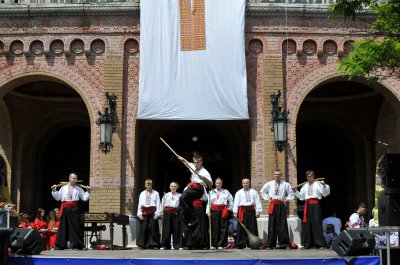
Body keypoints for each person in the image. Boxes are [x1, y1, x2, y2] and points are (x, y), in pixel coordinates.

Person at [51, 172, 91, 250]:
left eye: (76, 178)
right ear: (69, 178)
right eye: (74, 178)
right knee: (63, 227)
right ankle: (60, 245)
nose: (75, 180)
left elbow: (84, 198)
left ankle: (79, 245)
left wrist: (88, 191)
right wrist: (54, 190)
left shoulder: (78, 188)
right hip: (65, 208)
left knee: (75, 227)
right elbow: (58, 198)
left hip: (74, 209)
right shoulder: (63, 187)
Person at [293, 170, 330, 249]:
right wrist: (295, 191)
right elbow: (301, 197)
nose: (309, 178)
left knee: (316, 223)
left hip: (315, 204)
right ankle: (308, 244)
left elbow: (325, 194)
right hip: (307, 205)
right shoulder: (304, 186)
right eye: (308, 176)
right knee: (307, 224)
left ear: (313, 176)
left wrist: (324, 185)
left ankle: (320, 244)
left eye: (310, 176)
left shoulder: (318, 184)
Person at [260, 170, 294, 249]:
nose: (277, 176)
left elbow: (291, 193)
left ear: (281, 175)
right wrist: (268, 199)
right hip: (273, 204)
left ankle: (284, 244)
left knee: (282, 224)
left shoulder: (286, 184)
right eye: (275, 174)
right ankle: (271, 244)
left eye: (278, 174)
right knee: (272, 224)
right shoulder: (269, 184)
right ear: (273, 175)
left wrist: (286, 199)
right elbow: (262, 191)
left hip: (281, 204)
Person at [177, 154, 213, 228]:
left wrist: (204, 178)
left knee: (183, 197)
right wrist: (181, 158)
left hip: (198, 190)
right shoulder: (193, 167)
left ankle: (192, 215)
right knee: (182, 200)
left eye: (198, 163)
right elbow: (187, 163)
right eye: (195, 162)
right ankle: (191, 217)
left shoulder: (204, 172)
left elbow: (210, 184)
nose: (196, 164)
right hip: (192, 189)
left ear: (201, 162)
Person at [233, 178, 262, 249]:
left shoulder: (254, 192)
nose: (245, 184)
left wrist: (258, 211)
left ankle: (252, 244)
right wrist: (235, 212)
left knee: (252, 227)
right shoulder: (238, 192)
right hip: (242, 212)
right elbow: (236, 203)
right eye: (244, 183)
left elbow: (257, 202)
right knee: (242, 228)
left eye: (247, 183)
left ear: (249, 183)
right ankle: (241, 244)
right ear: (242, 184)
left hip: (251, 212)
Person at [207, 177, 233, 250]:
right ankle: (214, 244)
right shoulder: (211, 192)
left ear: (222, 184)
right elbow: (209, 203)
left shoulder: (225, 191)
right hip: (214, 210)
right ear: (215, 184)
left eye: (219, 183)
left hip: (223, 211)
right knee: (214, 228)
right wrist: (208, 211)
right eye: (217, 183)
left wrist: (229, 208)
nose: (218, 184)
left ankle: (221, 244)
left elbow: (231, 200)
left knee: (223, 227)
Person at [137, 179, 162, 249]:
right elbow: (140, 204)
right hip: (144, 212)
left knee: (153, 228)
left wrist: (157, 214)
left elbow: (158, 203)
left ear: (151, 185)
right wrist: (139, 214)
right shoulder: (142, 193)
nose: (149, 186)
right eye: (147, 185)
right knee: (143, 228)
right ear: (145, 185)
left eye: (150, 185)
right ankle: (143, 244)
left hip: (153, 212)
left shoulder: (156, 193)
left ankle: (154, 244)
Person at [160, 182, 182, 250]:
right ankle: (165, 245)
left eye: (174, 186)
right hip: (167, 212)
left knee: (176, 229)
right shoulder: (166, 195)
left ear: (176, 187)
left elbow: (181, 205)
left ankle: (177, 245)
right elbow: (162, 205)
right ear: (170, 187)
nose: (173, 187)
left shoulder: (179, 195)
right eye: (172, 186)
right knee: (166, 229)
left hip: (176, 212)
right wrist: (161, 214)